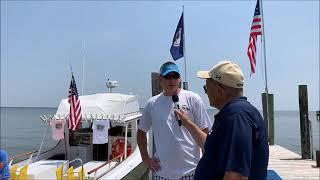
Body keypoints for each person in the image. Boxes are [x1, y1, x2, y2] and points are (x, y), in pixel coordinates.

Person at [175, 60, 269, 180]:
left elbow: (237, 176)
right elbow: (210, 147)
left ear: (220, 90)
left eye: (206, 87)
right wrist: (187, 123)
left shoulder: (236, 117)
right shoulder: (236, 113)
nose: (206, 92)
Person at [137, 61, 211, 180]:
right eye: (168, 77)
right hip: (161, 173)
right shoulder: (152, 103)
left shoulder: (193, 99)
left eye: (175, 76)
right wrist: (146, 159)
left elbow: (205, 133)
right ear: (160, 79)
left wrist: (207, 163)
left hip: (191, 172)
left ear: (180, 78)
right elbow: (141, 132)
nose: (172, 80)